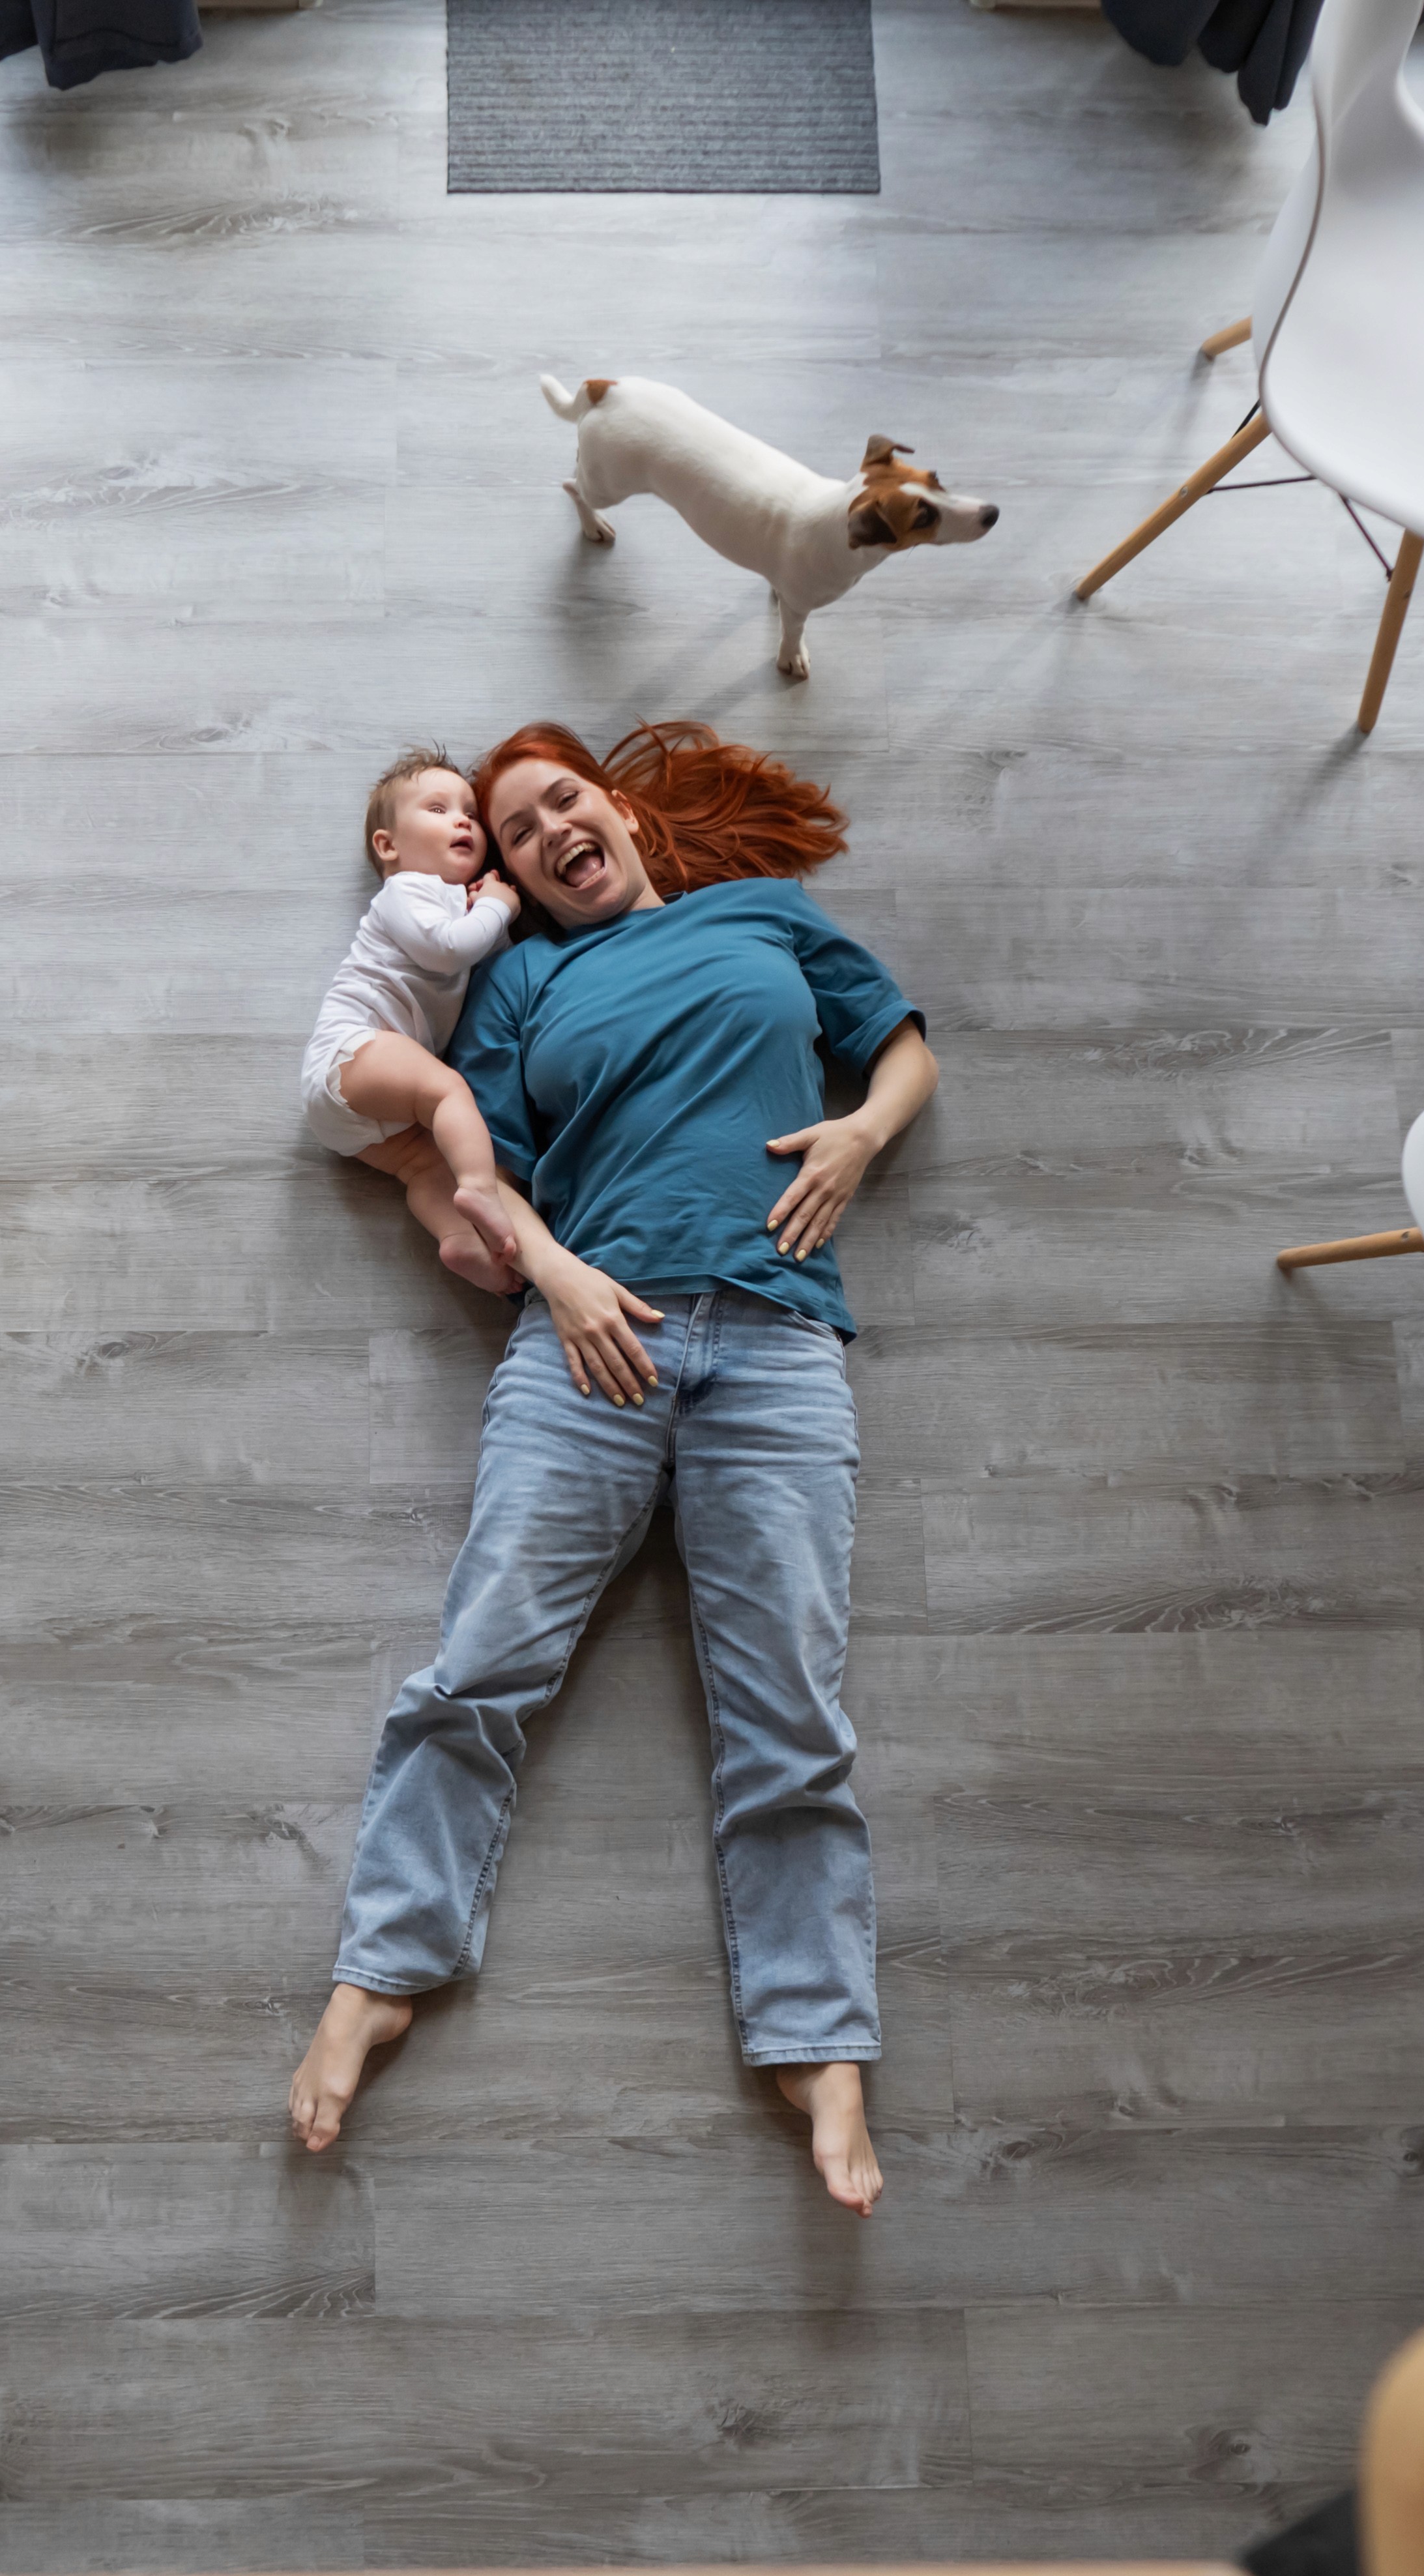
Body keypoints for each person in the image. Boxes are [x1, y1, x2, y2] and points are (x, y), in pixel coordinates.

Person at [286, 722, 939, 2215]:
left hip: (778, 1343)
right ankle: (379, 1971)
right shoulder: (523, 981)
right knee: (477, 1668)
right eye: (515, 835)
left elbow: (902, 1043)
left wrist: (858, 1135)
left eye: (561, 803)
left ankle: (818, 2034)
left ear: (624, 814)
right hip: (586, 1341)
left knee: (789, 1707)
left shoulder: (762, 914)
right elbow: (479, 1175)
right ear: (514, 879)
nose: (545, 835)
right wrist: (560, 1278)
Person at [299, 751, 530, 1296]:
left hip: (359, 1117)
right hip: (352, 1051)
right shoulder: (406, 889)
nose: (462, 821)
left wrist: (490, 915)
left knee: (422, 1168)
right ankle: (478, 1189)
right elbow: (448, 950)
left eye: (470, 813)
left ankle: (462, 1242)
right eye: (438, 809)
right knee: (447, 1091)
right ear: (389, 846)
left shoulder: (458, 903)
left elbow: (492, 965)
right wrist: (498, 907)